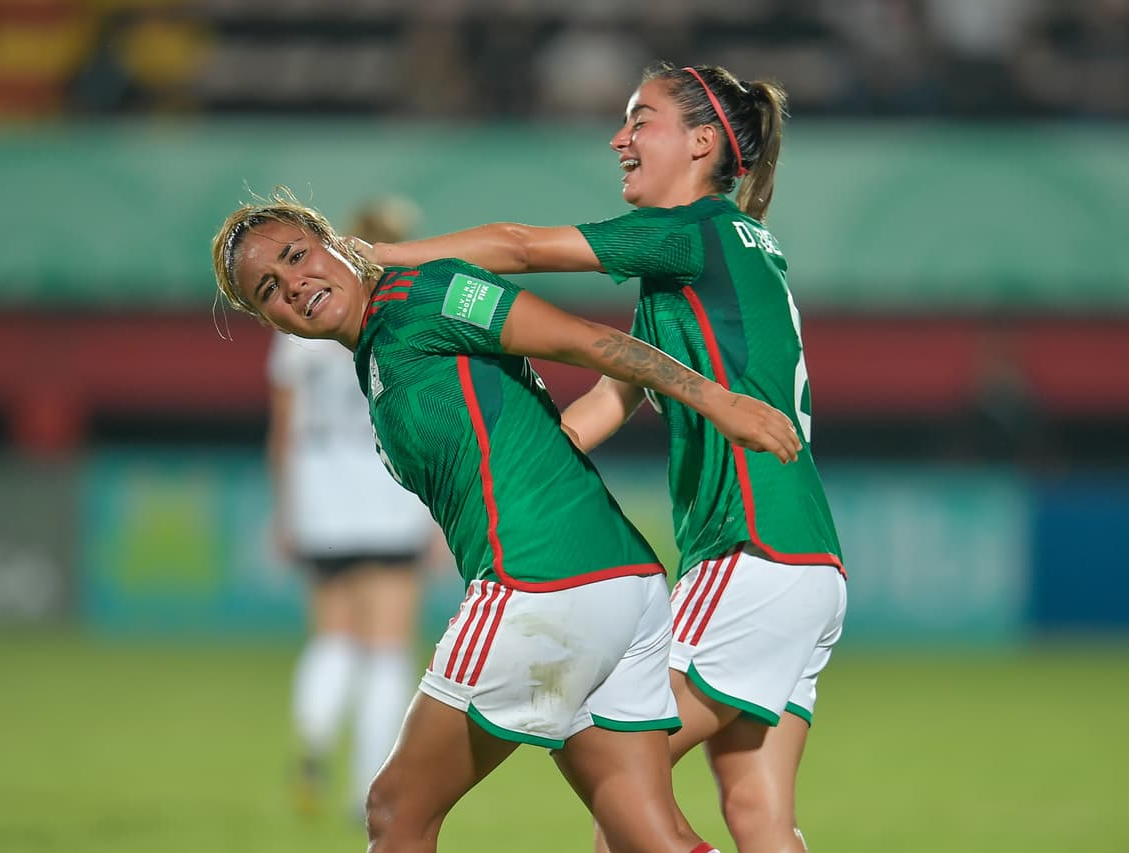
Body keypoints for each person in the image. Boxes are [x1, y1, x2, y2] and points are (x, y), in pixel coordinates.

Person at [211, 190, 803, 853]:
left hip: (540, 582)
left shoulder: (421, 294)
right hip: (619, 588)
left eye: (297, 256)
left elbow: (582, 339)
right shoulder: (376, 352)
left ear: (335, 243)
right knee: (648, 834)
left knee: (394, 811)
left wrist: (716, 399)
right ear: (270, 319)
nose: (294, 284)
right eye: (269, 288)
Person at [361, 63, 847, 853]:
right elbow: (610, 399)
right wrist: (527, 471)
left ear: (700, 143)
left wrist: (379, 255)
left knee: (625, 796)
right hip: (810, 563)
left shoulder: (691, 231)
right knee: (757, 813)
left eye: (640, 119)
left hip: (748, 548)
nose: (620, 138)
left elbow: (518, 247)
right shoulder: (732, 253)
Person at [269, 196, 437, 819]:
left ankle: (314, 736)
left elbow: (282, 431)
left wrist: (285, 510)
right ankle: (367, 783)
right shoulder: (395, 315)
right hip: (388, 492)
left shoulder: (297, 325)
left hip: (322, 497)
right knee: (387, 645)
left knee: (332, 633)